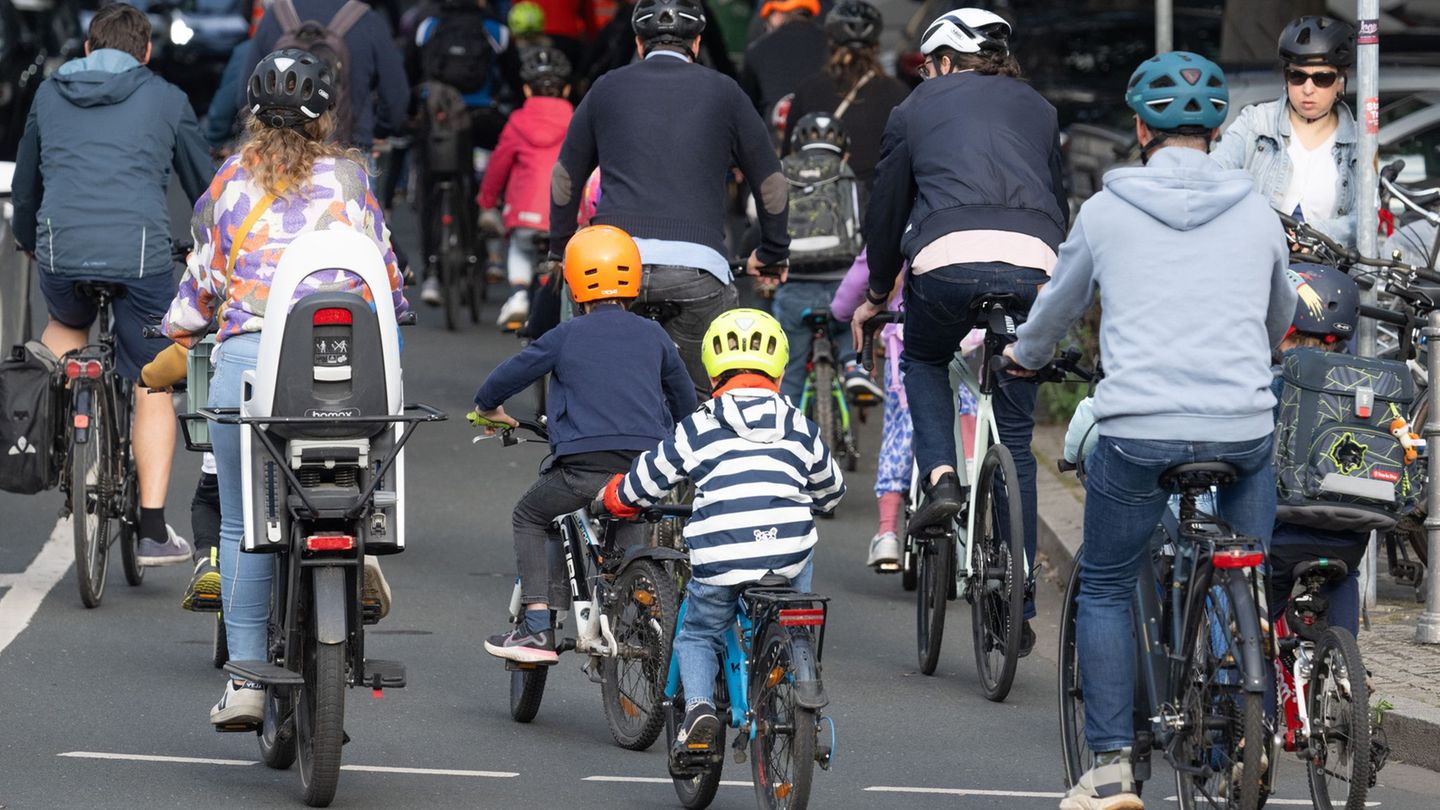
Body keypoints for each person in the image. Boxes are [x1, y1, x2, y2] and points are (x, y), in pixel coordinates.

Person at [1002, 52, 1294, 809]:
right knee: (1247, 565)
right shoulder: (1259, 211)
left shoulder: (1105, 211)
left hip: (1139, 432)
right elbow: (1280, 317)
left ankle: (1109, 772)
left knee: (1101, 584)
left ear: (1139, 128)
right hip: (1242, 429)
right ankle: (1237, 724)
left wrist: (1023, 358)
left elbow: (1056, 311)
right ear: (1218, 130)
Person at [163, 49, 408, 725]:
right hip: (352, 365)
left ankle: (245, 681)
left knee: (244, 524)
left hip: (252, 365)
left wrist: (177, 327)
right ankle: (355, 551)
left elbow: (200, 288)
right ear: (326, 114)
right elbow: (388, 277)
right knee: (355, 482)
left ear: (252, 116)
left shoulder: (228, 185)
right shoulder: (354, 183)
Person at [851, 8, 1066, 641]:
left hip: (945, 263)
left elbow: (887, 210)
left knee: (921, 359)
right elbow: (1056, 198)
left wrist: (877, 288)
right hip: (1036, 268)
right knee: (1019, 440)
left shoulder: (914, 109)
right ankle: (1020, 604)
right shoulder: (1041, 110)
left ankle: (941, 476)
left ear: (943, 62)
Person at [11, 2, 212, 565]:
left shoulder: (49, 95)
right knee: (151, 378)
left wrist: (31, 239)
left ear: (86, 50)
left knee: (66, 323)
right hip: (141, 256)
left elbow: (27, 184)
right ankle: (151, 530)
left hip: (62, 253)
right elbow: (205, 190)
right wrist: (206, 245)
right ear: (146, 53)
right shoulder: (167, 97)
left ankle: (50, 441)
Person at [599, 308, 845, 751]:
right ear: (780, 366)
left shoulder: (700, 424)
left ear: (712, 367)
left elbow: (646, 482)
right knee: (792, 589)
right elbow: (832, 491)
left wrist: (614, 498)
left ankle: (698, 710)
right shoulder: (799, 425)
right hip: (787, 555)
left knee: (697, 634)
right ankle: (785, 661)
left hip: (723, 553)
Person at [473, 225, 697, 662]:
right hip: (643, 469)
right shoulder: (653, 336)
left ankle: (537, 625)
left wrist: (489, 408)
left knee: (530, 515)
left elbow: (505, 377)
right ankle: (642, 609)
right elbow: (686, 401)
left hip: (582, 469)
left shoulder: (565, 335)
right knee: (631, 522)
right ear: (633, 281)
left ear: (575, 287)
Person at [548, 0, 790, 398]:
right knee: (701, 401)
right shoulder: (725, 92)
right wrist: (773, 251)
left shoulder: (607, 87)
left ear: (639, 45)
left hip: (612, 266)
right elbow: (771, 184)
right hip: (696, 269)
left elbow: (564, 178)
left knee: (590, 387)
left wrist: (559, 248)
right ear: (697, 44)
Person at [1267, 264, 1367, 636]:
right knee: (1345, 575)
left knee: (1254, 600)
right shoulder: (1366, 386)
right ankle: (1344, 663)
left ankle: (1250, 673)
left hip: (1284, 528)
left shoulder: (1275, 386)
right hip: (1352, 529)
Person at [1212, 16, 1359, 247]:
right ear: (1286, 77)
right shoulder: (1254, 122)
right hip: (1257, 266)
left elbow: (1365, 220)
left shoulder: (1360, 142)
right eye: (1298, 76)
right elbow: (1213, 177)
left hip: (1327, 273)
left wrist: (1313, 234)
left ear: (1341, 81)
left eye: (1322, 78)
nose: (1308, 89)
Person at [771, 113, 877, 403]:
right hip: (841, 281)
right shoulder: (847, 174)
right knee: (846, 324)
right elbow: (867, 228)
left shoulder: (782, 172)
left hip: (793, 280)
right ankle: (855, 367)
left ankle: (786, 415)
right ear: (846, 151)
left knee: (790, 368)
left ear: (794, 147)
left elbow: (759, 222)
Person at [477, 46, 575, 330]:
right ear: (567, 89)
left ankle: (519, 295)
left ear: (527, 91)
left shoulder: (518, 121)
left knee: (520, 249)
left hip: (525, 213)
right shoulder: (577, 119)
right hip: (566, 214)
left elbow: (498, 165)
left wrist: (486, 201)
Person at [240, 0, 410, 151]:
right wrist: (377, 132)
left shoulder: (275, 15)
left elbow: (246, 95)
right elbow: (396, 96)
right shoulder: (367, 19)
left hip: (278, 151)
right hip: (349, 148)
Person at [783, 0, 910, 189]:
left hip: (824, 200)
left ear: (831, 41)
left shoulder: (809, 89)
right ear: (876, 44)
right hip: (876, 199)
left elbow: (789, 151)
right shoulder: (900, 93)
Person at [739, 0, 828, 130]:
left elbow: (746, 109)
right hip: (824, 138)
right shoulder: (833, 47)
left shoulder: (758, 49)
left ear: (777, 15)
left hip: (775, 143)